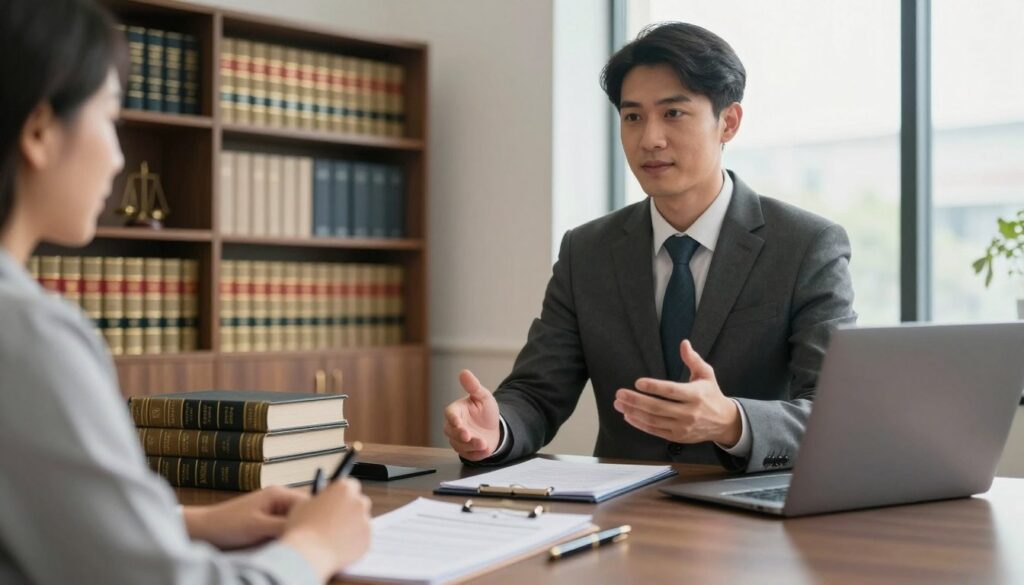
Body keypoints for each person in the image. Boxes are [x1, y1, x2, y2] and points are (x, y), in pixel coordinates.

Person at [0, 1, 370, 583]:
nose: (120, 157)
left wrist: (185, 522)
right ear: (41, 131)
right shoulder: (29, 337)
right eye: (111, 116)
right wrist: (316, 546)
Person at [444, 22, 857, 473]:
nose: (650, 139)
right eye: (633, 116)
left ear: (729, 122)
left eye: (673, 114)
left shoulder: (805, 246)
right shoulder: (587, 252)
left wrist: (731, 422)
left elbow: (837, 415)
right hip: (624, 512)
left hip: (754, 517)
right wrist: (497, 429)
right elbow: (537, 393)